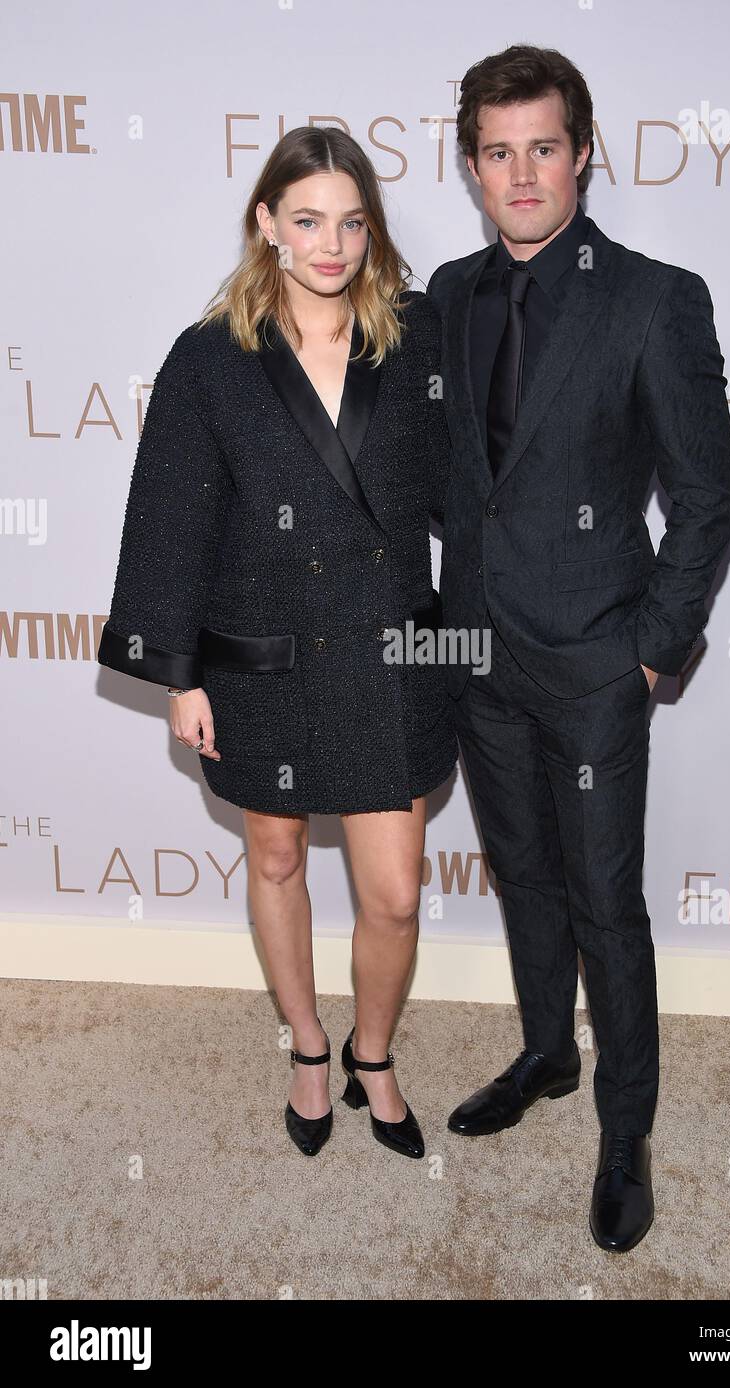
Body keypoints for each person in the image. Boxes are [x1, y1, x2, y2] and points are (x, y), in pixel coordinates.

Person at [428, 45, 730, 1249]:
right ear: (470, 166)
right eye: (497, 153)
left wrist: (652, 652)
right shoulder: (443, 297)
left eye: (542, 148)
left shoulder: (655, 298)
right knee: (526, 878)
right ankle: (547, 1055)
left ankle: (625, 1132)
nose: (521, 174)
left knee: (608, 904)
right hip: (479, 660)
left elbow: (704, 498)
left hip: (599, 661)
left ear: (583, 152)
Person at [98, 126, 457, 1161]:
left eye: (351, 222)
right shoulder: (211, 356)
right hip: (262, 655)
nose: (331, 244)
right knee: (276, 850)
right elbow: (173, 518)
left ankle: (372, 1050)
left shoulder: (416, 339)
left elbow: (468, 485)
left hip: (390, 653)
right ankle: (306, 1044)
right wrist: (177, 675)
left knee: (392, 889)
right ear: (266, 224)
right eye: (307, 220)